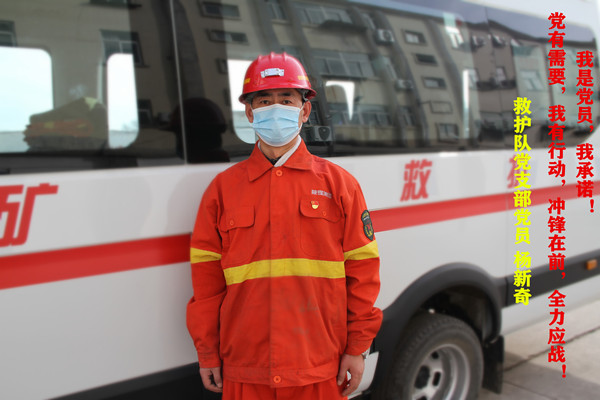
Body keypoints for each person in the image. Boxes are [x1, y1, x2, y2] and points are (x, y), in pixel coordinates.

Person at [187, 52, 382, 400]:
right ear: (250, 113)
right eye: (264, 100)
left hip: (319, 364)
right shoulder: (222, 190)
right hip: (245, 365)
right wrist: (207, 352)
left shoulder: (340, 185)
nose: (275, 109)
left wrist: (357, 348)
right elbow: (206, 283)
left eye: (286, 99)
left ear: (304, 111)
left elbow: (362, 272)